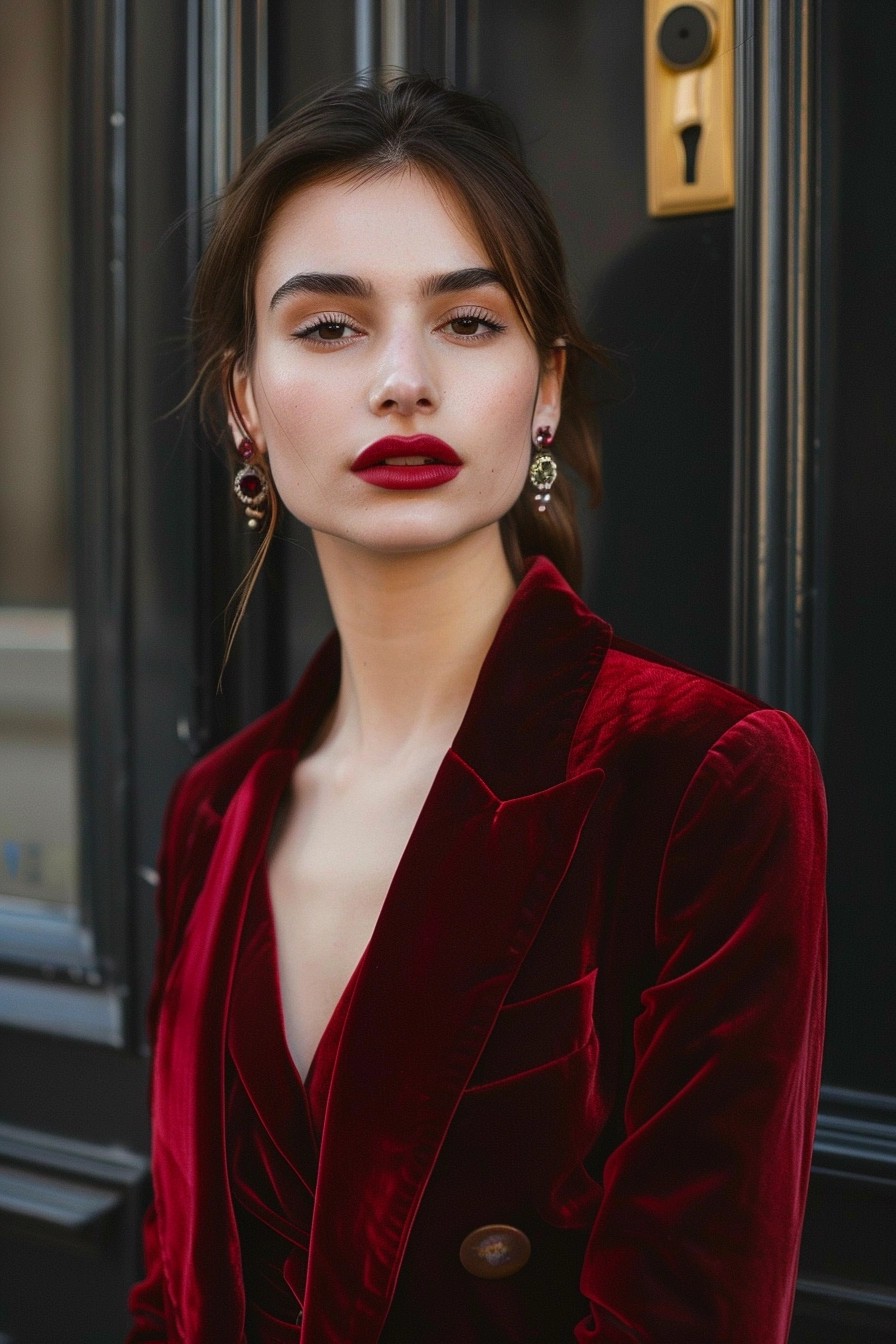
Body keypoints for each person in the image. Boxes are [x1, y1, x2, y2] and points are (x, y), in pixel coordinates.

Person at [126, 76, 828, 1344]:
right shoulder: (216, 809)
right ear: (243, 401)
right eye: (330, 327)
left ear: (545, 387)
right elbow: (170, 1288)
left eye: (466, 321)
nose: (402, 380)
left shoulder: (698, 780)